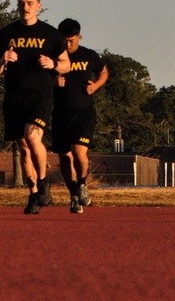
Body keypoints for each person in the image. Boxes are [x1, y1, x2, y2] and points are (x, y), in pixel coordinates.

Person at [0, 0, 70, 214]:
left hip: (40, 95)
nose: (25, 7)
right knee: (24, 148)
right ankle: (33, 193)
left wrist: (53, 64)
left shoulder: (50, 34)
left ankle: (43, 184)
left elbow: (66, 64)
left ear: (38, 6)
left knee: (32, 136)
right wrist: (2, 60)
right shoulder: (6, 33)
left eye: (30, 3)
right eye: (22, 3)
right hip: (14, 96)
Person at [52, 18, 108, 214]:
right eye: (64, 40)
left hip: (84, 112)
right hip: (60, 114)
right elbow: (39, 80)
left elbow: (103, 72)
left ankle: (82, 184)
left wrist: (96, 85)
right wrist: (53, 82)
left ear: (78, 36)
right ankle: (74, 195)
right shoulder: (53, 58)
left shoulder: (88, 55)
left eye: (72, 40)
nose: (68, 44)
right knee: (65, 158)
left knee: (78, 151)